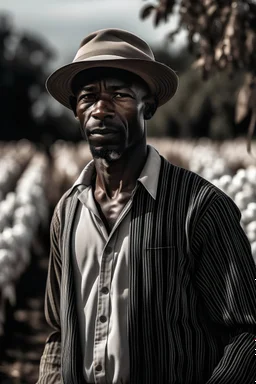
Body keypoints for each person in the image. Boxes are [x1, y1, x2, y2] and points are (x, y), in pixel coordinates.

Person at [37, 29, 256, 384]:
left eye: (119, 95)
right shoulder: (67, 212)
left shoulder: (200, 208)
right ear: (75, 111)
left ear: (149, 105)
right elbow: (60, 334)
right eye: (88, 97)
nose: (100, 110)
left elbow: (247, 335)